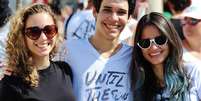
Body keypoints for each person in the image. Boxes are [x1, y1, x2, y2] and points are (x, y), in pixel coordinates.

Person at [56, 0, 136, 100]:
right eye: (107, 10)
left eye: (121, 12)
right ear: (95, 12)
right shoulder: (68, 50)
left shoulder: (134, 57)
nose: (114, 18)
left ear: (129, 18)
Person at [0, 3, 75, 101]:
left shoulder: (65, 70)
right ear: (22, 37)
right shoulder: (11, 82)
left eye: (49, 30)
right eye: (34, 32)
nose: (43, 38)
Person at [131, 12, 190, 100]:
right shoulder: (138, 86)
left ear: (170, 40)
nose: (154, 47)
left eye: (160, 40)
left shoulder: (193, 73)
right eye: (145, 43)